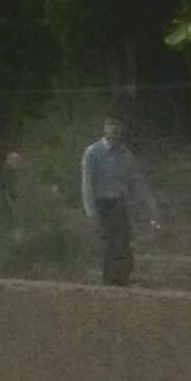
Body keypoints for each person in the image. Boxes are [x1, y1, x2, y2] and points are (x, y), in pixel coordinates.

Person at [79, 111, 160, 286]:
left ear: (122, 129)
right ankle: (108, 280)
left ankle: (122, 278)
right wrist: (90, 211)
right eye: (111, 124)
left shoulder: (126, 155)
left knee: (123, 241)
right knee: (108, 242)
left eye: (117, 125)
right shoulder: (93, 153)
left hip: (119, 203)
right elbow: (87, 184)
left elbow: (136, 181)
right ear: (104, 127)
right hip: (102, 204)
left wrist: (149, 204)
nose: (114, 129)